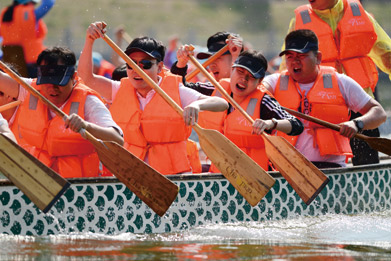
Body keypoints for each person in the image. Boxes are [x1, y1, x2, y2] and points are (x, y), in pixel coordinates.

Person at [77, 21, 229, 175]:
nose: (137, 70)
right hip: (132, 174)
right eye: (131, 64)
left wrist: (197, 106)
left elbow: (221, 103)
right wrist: (89, 40)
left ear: (160, 67)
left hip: (172, 176)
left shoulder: (176, 90)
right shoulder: (118, 89)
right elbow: (86, 78)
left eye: (145, 64)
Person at [281, 0, 391, 165]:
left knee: (366, 165)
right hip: (320, 109)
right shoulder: (299, 21)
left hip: (361, 107)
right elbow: (286, 66)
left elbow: (386, 55)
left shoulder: (361, 15)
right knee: (327, 165)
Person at [263, 29, 387, 168]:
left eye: (301, 55)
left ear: (318, 58)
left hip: (330, 168)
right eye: (290, 56)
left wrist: (356, 124)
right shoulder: (273, 82)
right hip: (286, 168)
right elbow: (249, 92)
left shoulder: (341, 82)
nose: (294, 62)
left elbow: (379, 113)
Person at [0, 46, 124, 178]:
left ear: (73, 77)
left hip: (81, 184)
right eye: (47, 82)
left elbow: (117, 139)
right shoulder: (32, 90)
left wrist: (86, 126)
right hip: (42, 180)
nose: (52, 89)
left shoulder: (88, 101)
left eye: (59, 82)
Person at [201, 50, 304, 172]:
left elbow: (297, 125)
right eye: (240, 72)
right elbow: (182, 87)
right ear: (232, 70)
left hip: (254, 178)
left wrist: (270, 123)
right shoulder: (217, 89)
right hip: (221, 173)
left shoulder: (264, 102)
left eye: (251, 77)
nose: (243, 79)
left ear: (259, 82)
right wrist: (181, 64)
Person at [170, 31, 243, 95]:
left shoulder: (249, 86)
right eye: (210, 58)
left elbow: (234, 90)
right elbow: (177, 90)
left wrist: (236, 58)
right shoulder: (209, 89)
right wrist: (181, 63)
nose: (211, 64)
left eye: (217, 58)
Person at [0, 0, 56, 78]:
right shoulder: (32, 14)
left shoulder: (4, 14)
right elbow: (49, 3)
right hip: (33, 64)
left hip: (11, 67)